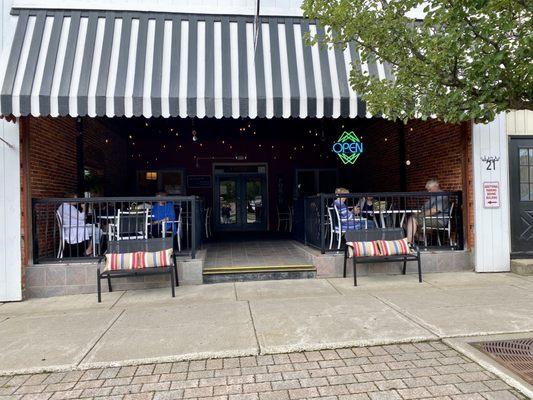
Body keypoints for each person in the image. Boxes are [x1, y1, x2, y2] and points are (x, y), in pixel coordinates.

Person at [406, 179, 449, 243]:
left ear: (436, 187)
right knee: (406, 222)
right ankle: (423, 239)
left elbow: (434, 211)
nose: (428, 191)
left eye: (430, 189)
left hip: (439, 220)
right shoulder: (433, 197)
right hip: (431, 218)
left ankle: (408, 243)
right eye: (428, 190)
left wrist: (419, 214)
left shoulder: (442, 196)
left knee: (412, 219)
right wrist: (419, 212)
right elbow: (425, 208)